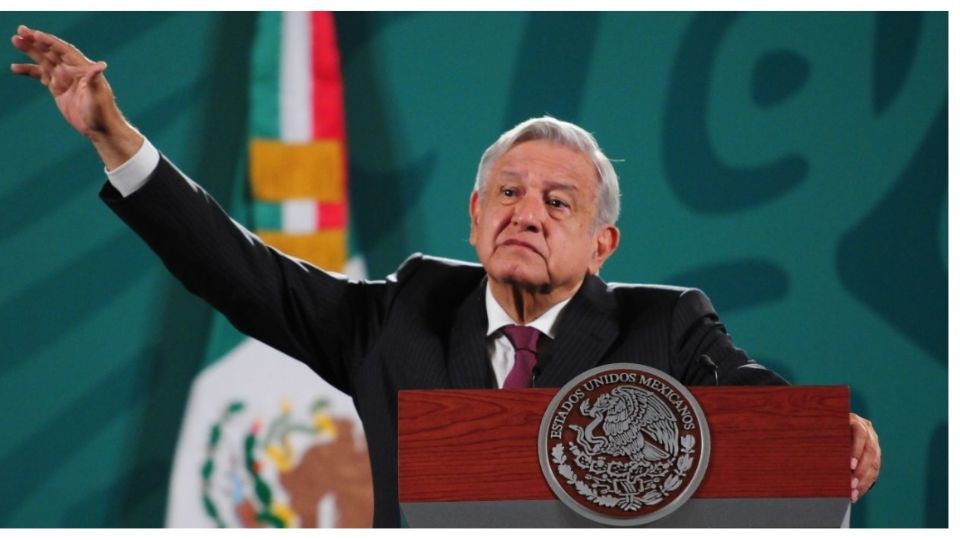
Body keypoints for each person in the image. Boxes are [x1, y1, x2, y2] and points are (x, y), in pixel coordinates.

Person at [11, 25, 880, 527]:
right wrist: (116, 141)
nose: (526, 212)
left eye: (557, 202)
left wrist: (829, 432)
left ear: (603, 244)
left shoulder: (668, 327)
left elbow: (752, 401)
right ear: (473, 218)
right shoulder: (403, 316)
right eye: (506, 192)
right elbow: (241, 271)